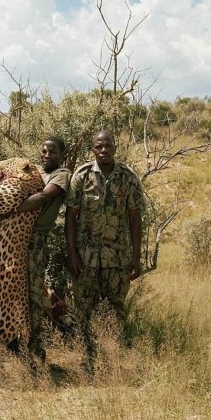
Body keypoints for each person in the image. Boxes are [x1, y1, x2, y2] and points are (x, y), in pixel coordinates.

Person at [64, 129, 145, 373]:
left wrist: (136, 257)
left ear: (115, 147)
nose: (103, 150)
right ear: (93, 149)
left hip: (117, 258)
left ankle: (113, 360)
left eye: (108, 145)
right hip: (86, 258)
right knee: (83, 309)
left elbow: (135, 218)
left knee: (116, 309)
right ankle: (87, 361)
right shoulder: (82, 176)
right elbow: (70, 218)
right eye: (99, 146)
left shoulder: (128, 177)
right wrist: (72, 255)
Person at [0, 137, 71, 362]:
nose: (46, 154)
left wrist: (6, 211)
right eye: (44, 150)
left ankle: (34, 350)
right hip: (11, 238)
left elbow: (43, 196)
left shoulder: (61, 175)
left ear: (61, 154)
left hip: (33, 241)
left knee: (33, 295)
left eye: (52, 151)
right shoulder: (32, 171)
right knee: (8, 291)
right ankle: (11, 344)